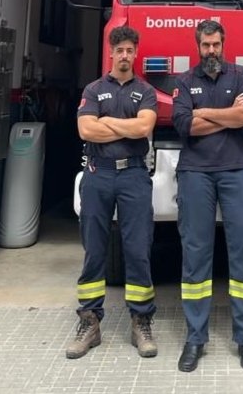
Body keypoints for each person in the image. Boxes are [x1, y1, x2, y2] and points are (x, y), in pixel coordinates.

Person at [172, 19, 243, 372]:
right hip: (195, 173)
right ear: (198, 46)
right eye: (206, 45)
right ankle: (195, 339)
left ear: (224, 45)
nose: (211, 50)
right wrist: (227, 116)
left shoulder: (240, 75)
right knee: (195, 253)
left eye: (216, 45)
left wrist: (205, 112)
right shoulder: (184, 81)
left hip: (236, 170)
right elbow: (185, 125)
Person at [66, 26, 158, 360]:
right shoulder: (93, 89)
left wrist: (107, 123)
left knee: (138, 249)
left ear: (136, 53)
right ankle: (89, 322)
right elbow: (84, 129)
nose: (124, 55)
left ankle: (141, 321)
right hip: (98, 174)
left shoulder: (145, 91)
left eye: (129, 50)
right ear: (111, 53)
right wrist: (126, 126)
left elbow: (145, 128)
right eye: (119, 50)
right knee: (94, 249)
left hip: (133, 173)